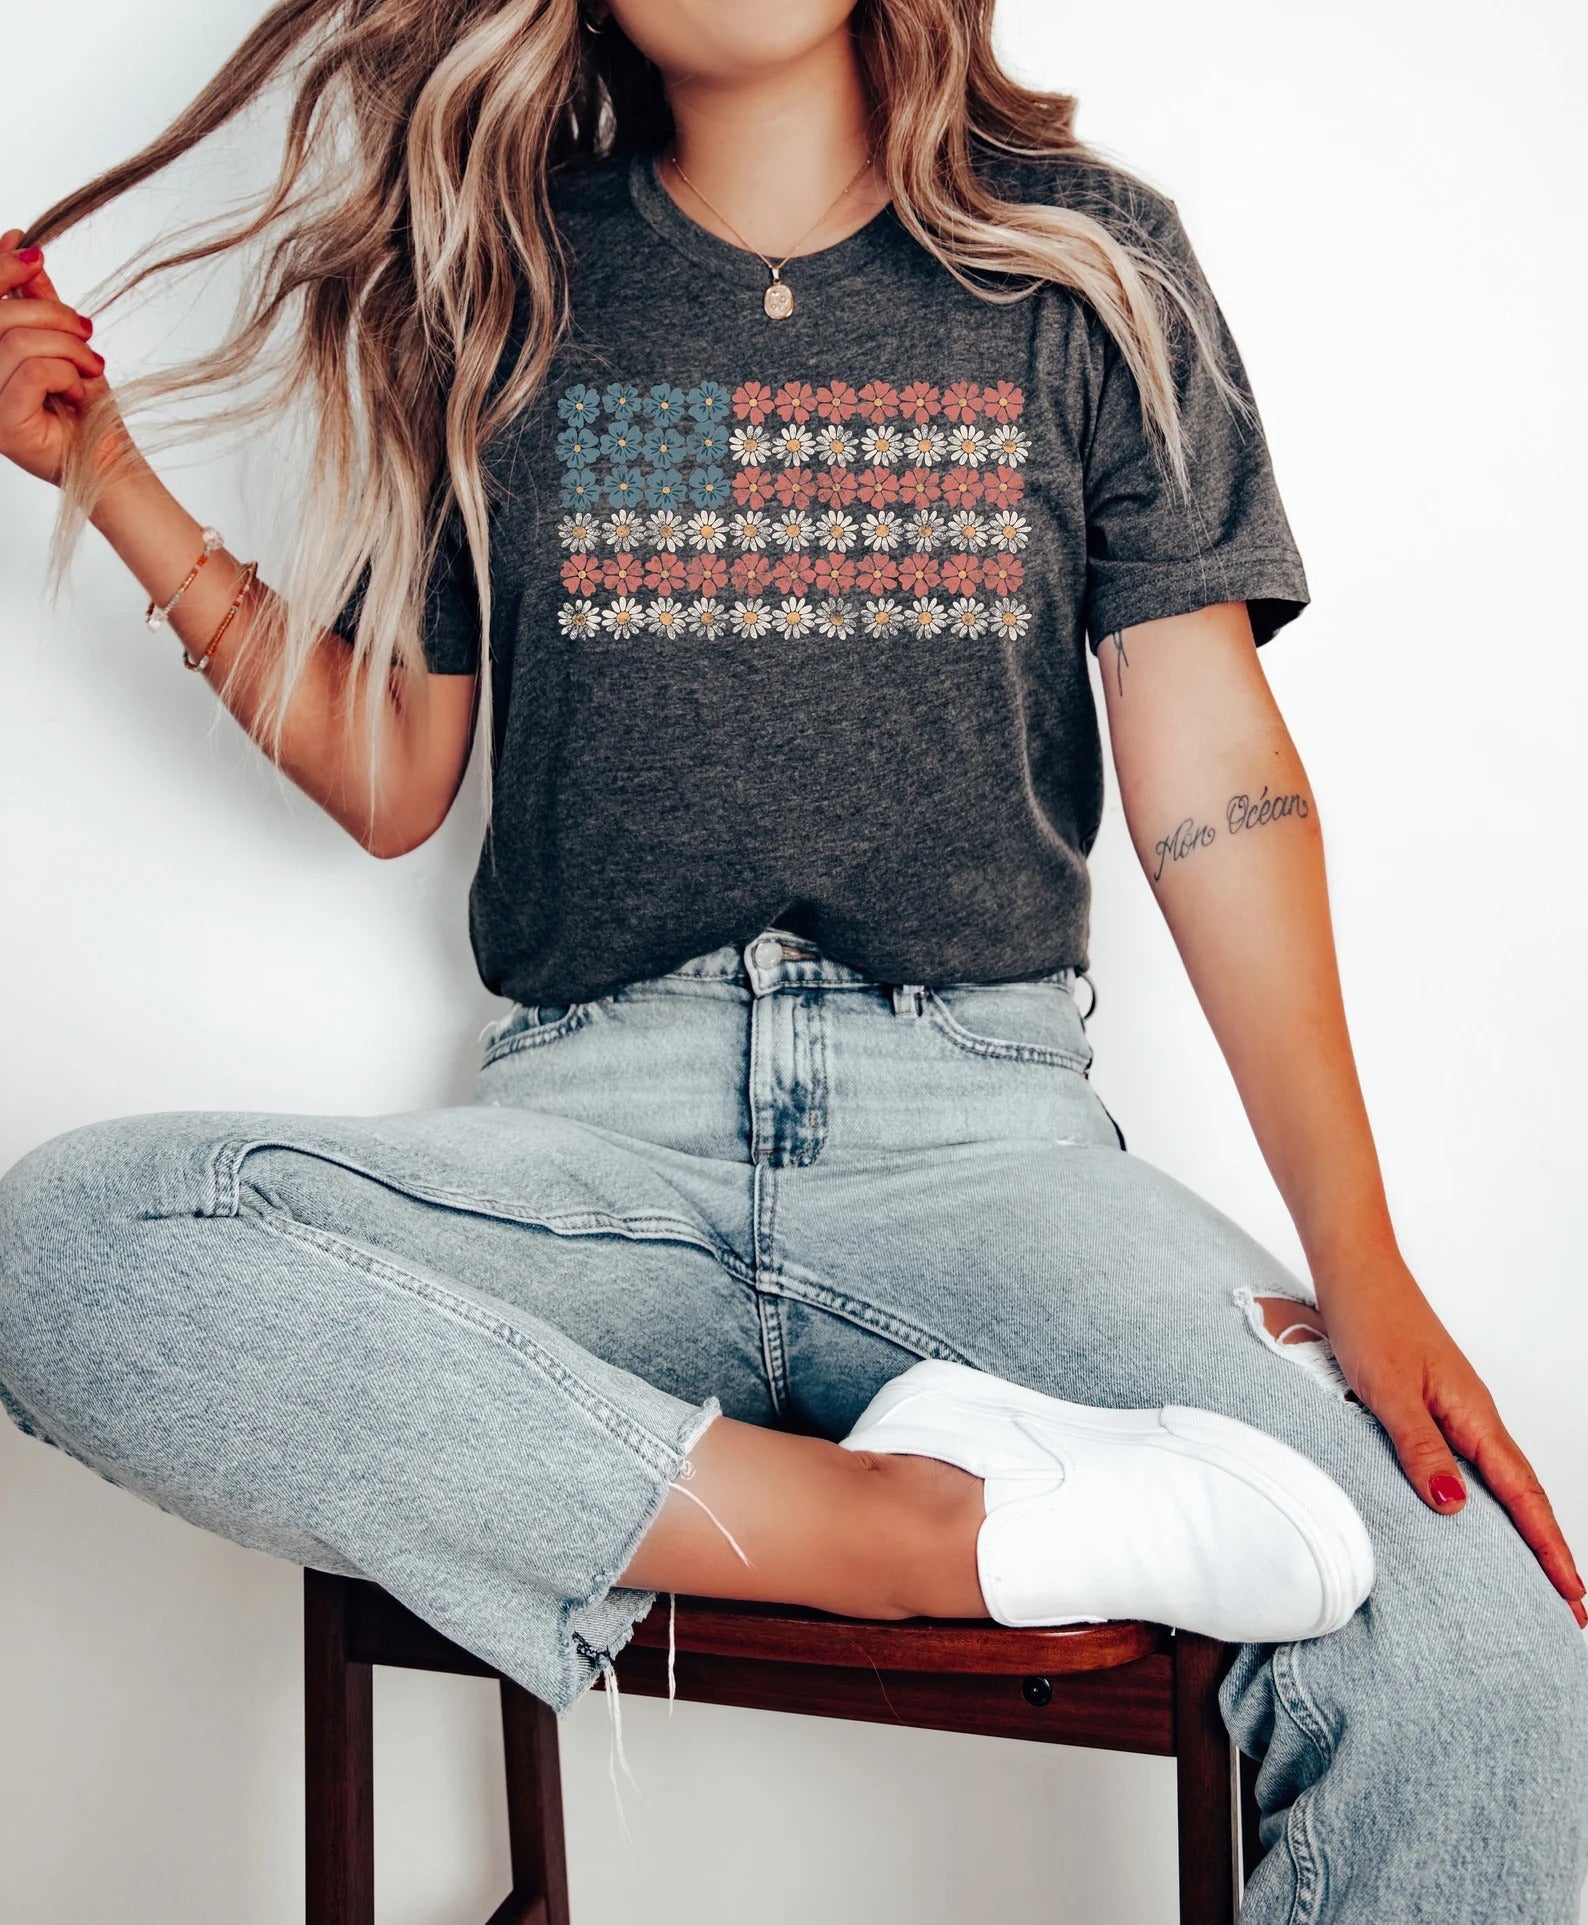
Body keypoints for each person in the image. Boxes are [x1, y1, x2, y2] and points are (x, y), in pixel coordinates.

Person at [1, 1, 1584, 1916]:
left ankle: (902, 1499)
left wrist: (1363, 1260)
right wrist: (103, 465)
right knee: (67, 1242)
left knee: (1486, 1645)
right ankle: (898, 1528)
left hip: (986, 1149)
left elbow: (1215, 791)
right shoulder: (499, 282)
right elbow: (395, 763)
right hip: (595, 1149)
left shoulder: (1088, 263)